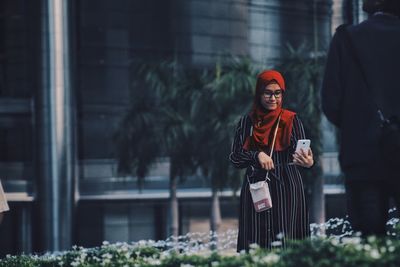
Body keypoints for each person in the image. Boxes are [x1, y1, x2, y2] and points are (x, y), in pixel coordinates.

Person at [321, 0, 400, 236]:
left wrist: (358, 125)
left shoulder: (347, 39)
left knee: (370, 240)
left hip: (363, 159)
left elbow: (331, 103)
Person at [229, 70, 314, 251]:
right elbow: (236, 158)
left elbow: (301, 155)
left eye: (278, 93)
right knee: (255, 241)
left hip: (287, 187)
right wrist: (256, 155)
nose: (273, 98)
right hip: (257, 187)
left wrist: (307, 161)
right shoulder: (247, 122)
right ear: (259, 93)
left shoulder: (291, 120)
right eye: (267, 93)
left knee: (287, 240)